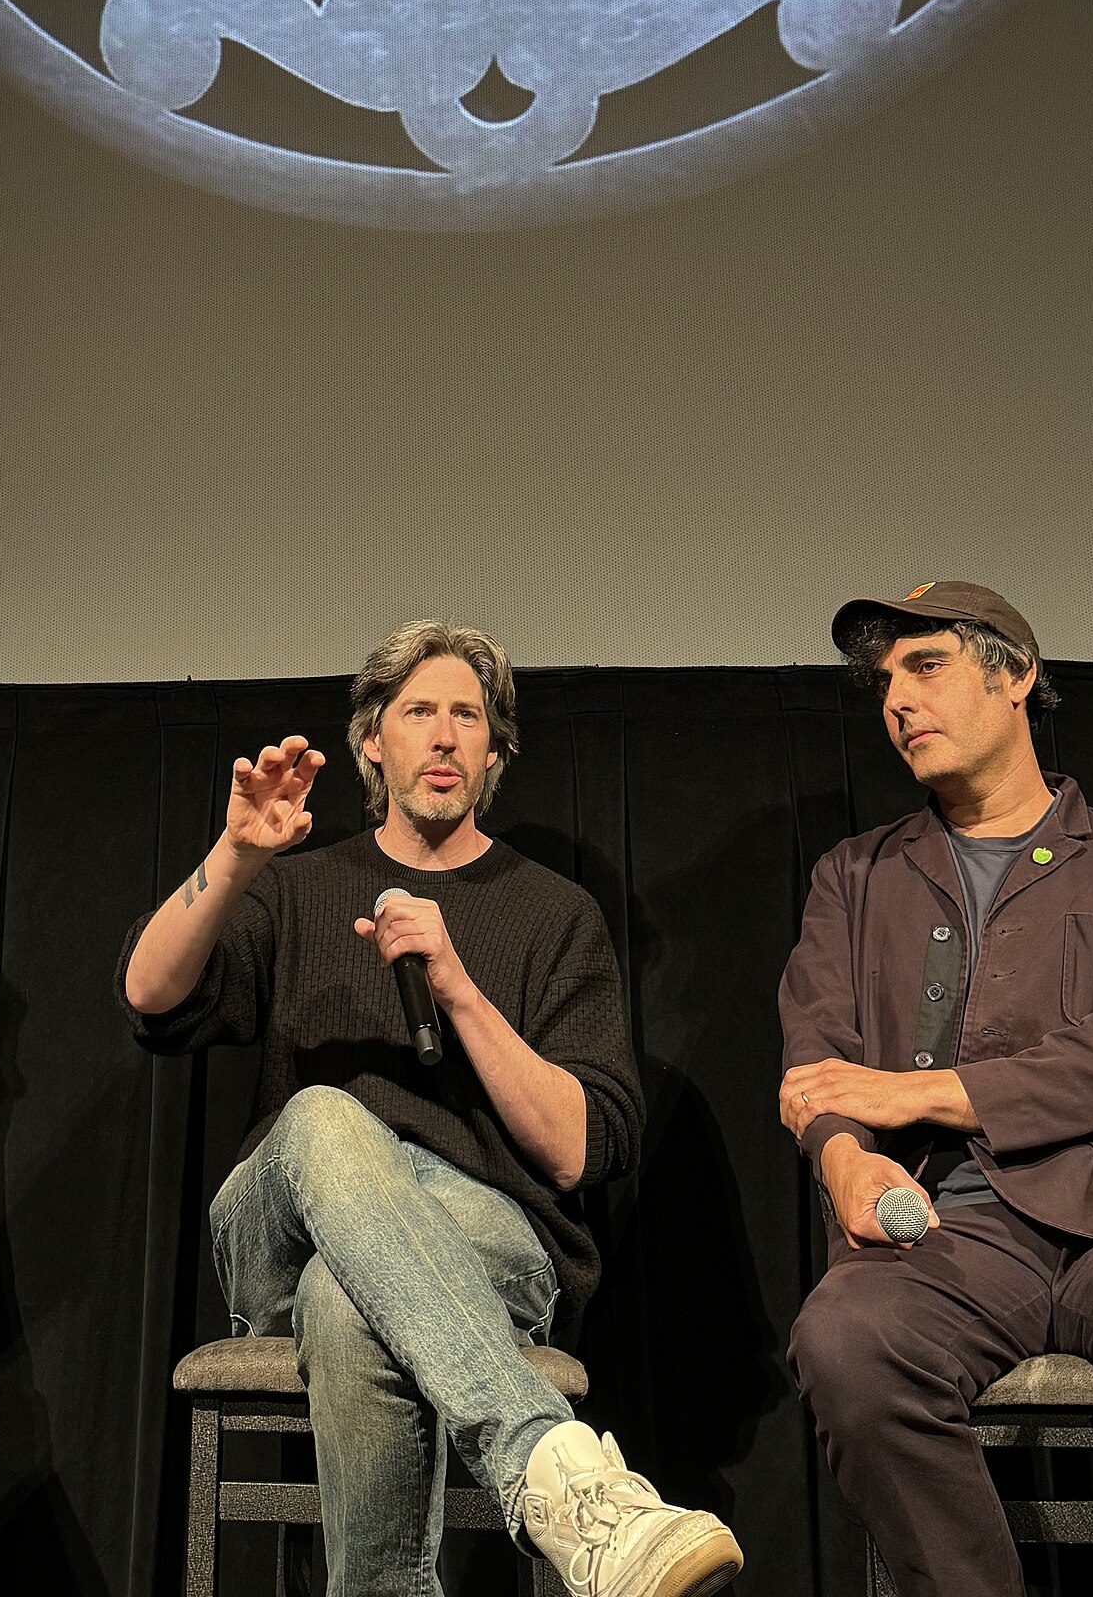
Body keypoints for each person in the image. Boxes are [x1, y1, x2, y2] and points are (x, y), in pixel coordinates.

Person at [119, 617, 744, 1597]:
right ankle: (559, 1477)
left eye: (469, 715)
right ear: (374, 738)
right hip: (273, 1231)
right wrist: (237, 854)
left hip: (489, 1238)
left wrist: (456, 985)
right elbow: (152, 996)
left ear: (494, 749)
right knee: (326, 1117)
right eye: (421, 711)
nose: (445, 735)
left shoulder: (554, 916)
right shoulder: (298, 887)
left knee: (346, 1291)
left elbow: (580, 1149)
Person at [780, 579, 1093, 1597]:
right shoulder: (857, 876)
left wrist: (922, 1093)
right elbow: (819, 1059)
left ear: (1015, 675)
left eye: (925, 667)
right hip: (948, 1229)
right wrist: (843, 1159)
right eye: (884, 682)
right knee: (844, 1343)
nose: (897, 700)